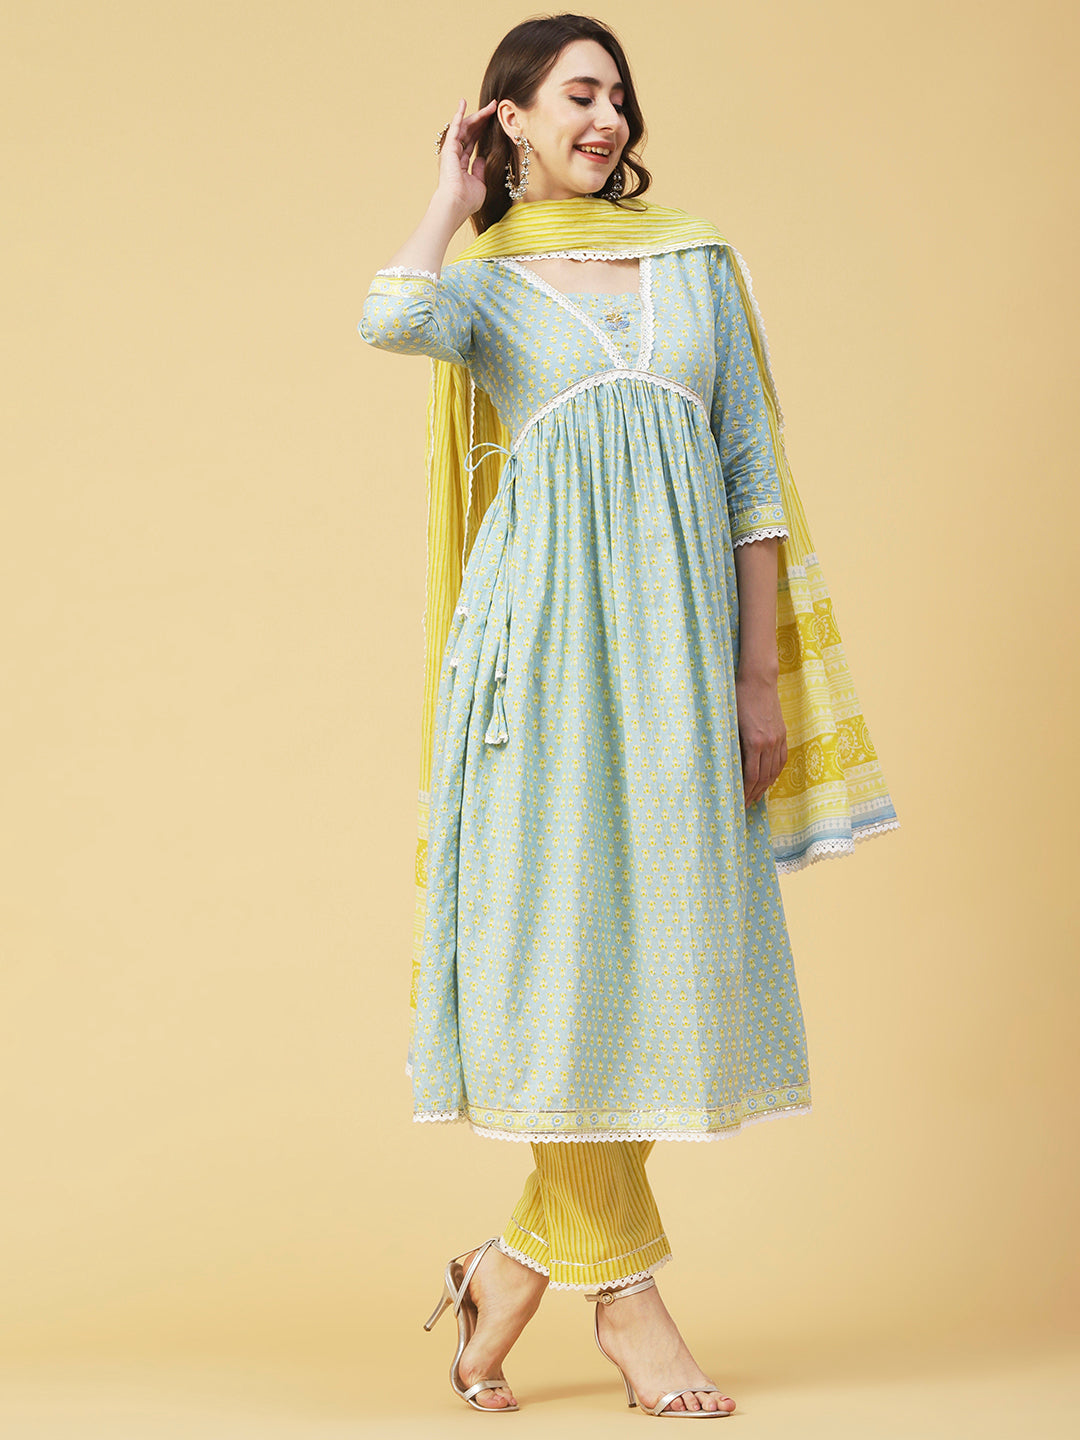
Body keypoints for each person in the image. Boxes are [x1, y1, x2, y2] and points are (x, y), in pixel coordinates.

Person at [358, 13, 899, 1418]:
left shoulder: (696, 262)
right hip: (535, 665)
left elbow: (750, 476)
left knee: (662, 963)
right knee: (570, 964)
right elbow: (390, 316)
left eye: (618, 97)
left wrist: (756, 678)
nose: (607, 119)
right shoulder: (483, 287)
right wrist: (451, 194)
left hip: (678, 662)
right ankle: (631, 1309)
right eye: (578, 95)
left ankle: (504, 1272)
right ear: (511, 117)